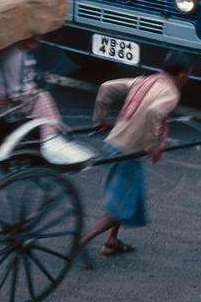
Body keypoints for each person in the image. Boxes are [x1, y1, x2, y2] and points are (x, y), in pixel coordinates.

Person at [79, 51, 193, 256]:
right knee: (121, 207)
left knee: (127, 195)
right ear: (183, 74)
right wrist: (152, 144)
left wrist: (99, 120)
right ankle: (83, 240)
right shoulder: (171, 93)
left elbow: (106, 88)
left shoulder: (143, 81)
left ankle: (111, 241)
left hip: (114, 144)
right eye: (189, 74)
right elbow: (153, 113)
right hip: (128, 152)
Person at [0, 37, 88, 164]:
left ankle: (53, 133)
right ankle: (49, 138)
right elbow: (16, 92)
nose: (37, 44)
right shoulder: (16, 54)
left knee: (40, 95)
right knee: (42, 97)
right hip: (4, 100)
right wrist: (33, 91)